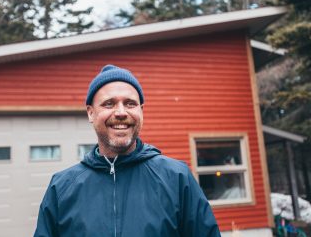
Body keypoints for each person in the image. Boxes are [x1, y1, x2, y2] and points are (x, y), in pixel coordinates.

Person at [34, 65, 221, 237]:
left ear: (141, 111)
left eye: (130, 103)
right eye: (109, 104)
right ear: (91, 113)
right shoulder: (61, 187)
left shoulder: (177, 178)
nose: (121, 112)